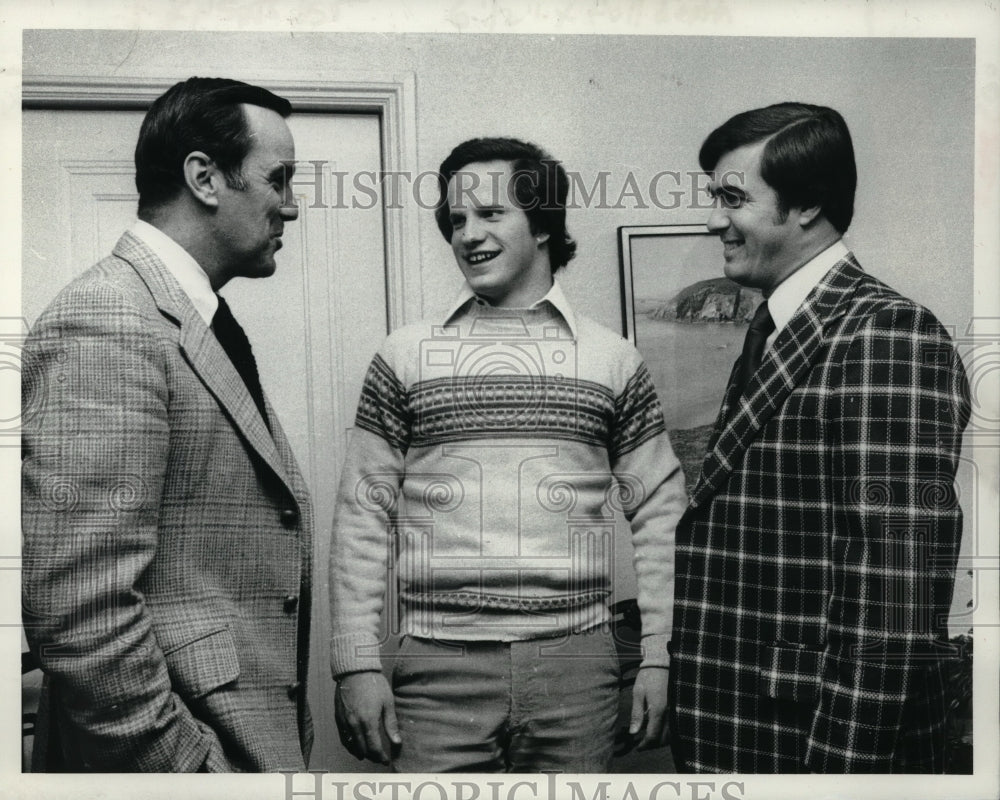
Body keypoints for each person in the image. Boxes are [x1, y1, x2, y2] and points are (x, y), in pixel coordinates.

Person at [329, 137, 687, 772]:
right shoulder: (406, 355)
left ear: (543, 223)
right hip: (438, 670)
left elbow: (661, 516)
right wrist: (355, 661)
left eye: (491, 214)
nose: (468, 234)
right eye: (457, 219)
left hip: (580, 668)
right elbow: (362, 516)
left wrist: (659, 654)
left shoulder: (611, 360)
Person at [668, 102, 971, 773]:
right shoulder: (778, 328)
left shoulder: (886, 333)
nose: (714, 218)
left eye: (733, 197)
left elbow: (896, 599)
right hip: (745, 732)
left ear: (807, 205)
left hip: (814, 748)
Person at [21, 77, 312, 772]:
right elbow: (81, 614)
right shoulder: (109, 320)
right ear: (205, 178)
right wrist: (190, 774)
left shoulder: (189, 318)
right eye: (279, 180)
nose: (292, 207)